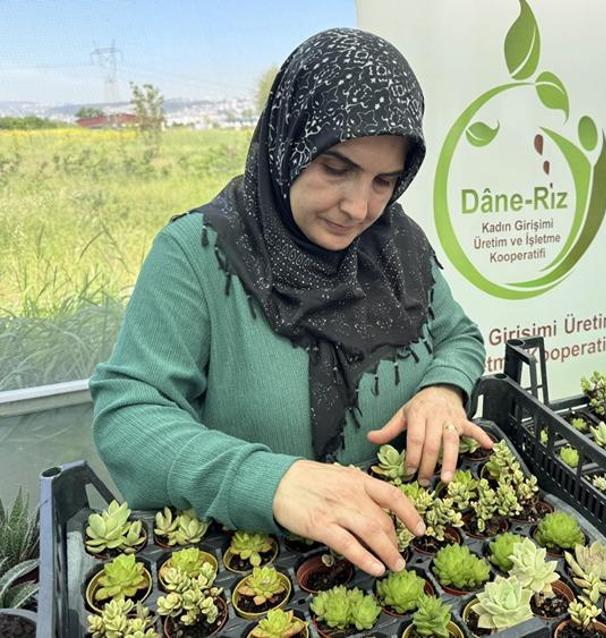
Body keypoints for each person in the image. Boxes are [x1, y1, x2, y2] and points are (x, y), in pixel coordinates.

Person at [89, 28, 491, 579]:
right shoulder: (197, 255)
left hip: (400, 552)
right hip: (260, 576)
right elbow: (129, 414)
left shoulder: (397, 244)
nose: (358, 207)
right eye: (336, 168)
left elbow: (459, 336)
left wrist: (443, 390)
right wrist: (269, 482)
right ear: (289, 141)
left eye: (384, 180)